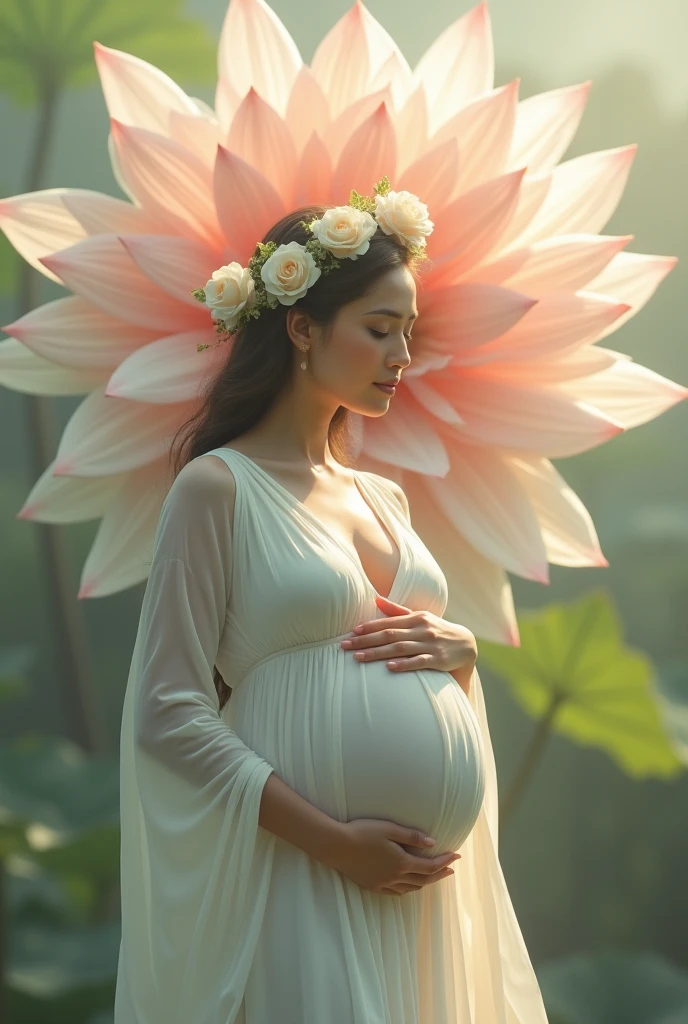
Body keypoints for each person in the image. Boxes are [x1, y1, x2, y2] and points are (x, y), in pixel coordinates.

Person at [115, 182, 550, 1023]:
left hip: (421, 898)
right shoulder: (217, 489)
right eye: (380, 330)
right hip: (303, 873)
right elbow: (167, 712)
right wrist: (333, 843)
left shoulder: (387, 499)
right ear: (303, 326)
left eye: (408, 334)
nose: (401, 356)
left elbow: (417, 664)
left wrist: (459, 654)